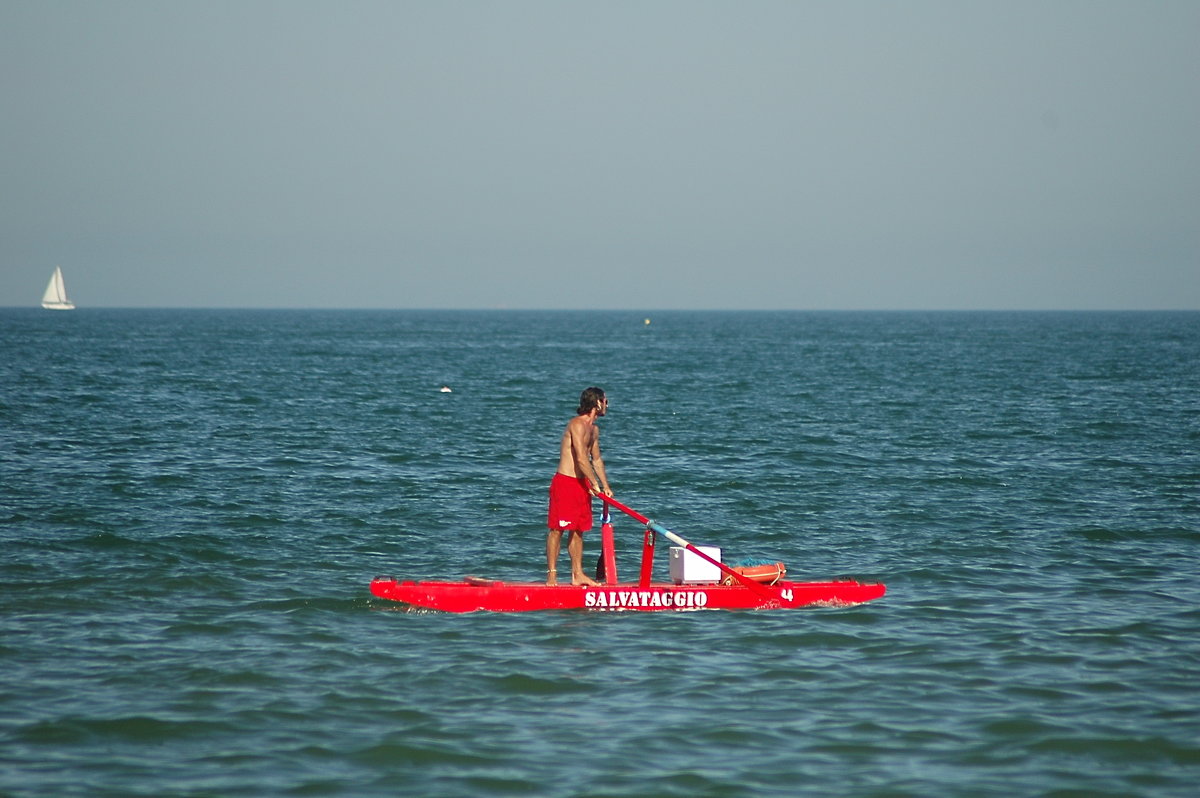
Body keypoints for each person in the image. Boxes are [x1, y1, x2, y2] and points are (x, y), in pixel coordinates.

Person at [546, 387, 612, 585]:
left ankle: (577, 574)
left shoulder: (594, 430)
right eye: (605, 401)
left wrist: (605, 485)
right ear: (597, 403)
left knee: (578, 529)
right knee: (558, 528)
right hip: (566, 482)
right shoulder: (576, 424)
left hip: (582, 485)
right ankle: (552, 574)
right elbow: (581, 458)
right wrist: (594, 483)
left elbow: (596, 459)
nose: (607, 405)